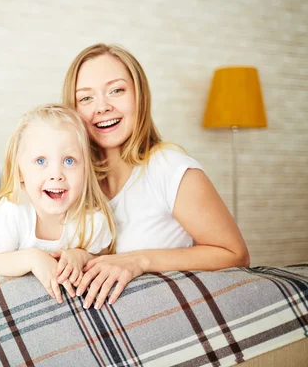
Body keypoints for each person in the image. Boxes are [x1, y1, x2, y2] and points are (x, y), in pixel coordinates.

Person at [61, 43, 250, 309]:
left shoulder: (170, 167)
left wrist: (140, 261)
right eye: (86, 98)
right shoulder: (70, 181)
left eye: (116, 90)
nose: (101, 107)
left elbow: (235, 254)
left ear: (140, 96)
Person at [0, 104, 115, 303]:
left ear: (85, 169)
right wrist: (32, 258)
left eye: (69, 161)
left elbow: (104, 255)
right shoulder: (12, 211)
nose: (56, 174)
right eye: (41, 161)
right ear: (20, 172)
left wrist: (82, 256)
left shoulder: (91, 220)